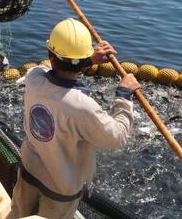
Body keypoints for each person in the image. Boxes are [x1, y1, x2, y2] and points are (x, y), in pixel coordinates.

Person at [8, 18, 141, 219]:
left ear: (50, 55)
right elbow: (116, 138)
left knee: (17, 214)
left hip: (28, 173)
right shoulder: (82, 106)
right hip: (59, 190)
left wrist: (87, 60)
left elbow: (50, 69)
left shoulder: (33, 78)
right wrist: (123, 96)